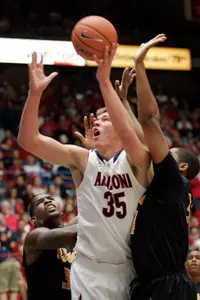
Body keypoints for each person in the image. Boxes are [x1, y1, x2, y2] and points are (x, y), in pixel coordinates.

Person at [17, 52, 150, 299]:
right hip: (89, 271)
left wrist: (106, 84)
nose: (96, 123)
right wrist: (35, 93)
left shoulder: (137, 161)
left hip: (128, 270)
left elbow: (138, 135)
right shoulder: (83, 159)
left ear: (122, 127)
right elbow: (28, 140)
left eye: (106, 119)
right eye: (96, 120)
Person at [128, 34, 200, 299]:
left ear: (180, 166)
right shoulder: (172, 186)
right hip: (156, 283)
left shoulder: (171, 178)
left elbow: (148, 120)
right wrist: (123, 103)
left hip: (167, 286)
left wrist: (140, 64)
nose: (158, 154)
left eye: (168, 154)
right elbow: (142, 141)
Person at [23, 194, 77, 300]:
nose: (48, 201)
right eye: (40, 202)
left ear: (60, 210)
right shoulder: (33, 237)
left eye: (51, 199)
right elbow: (72, 235)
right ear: (34, 220)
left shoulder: (71, 226)